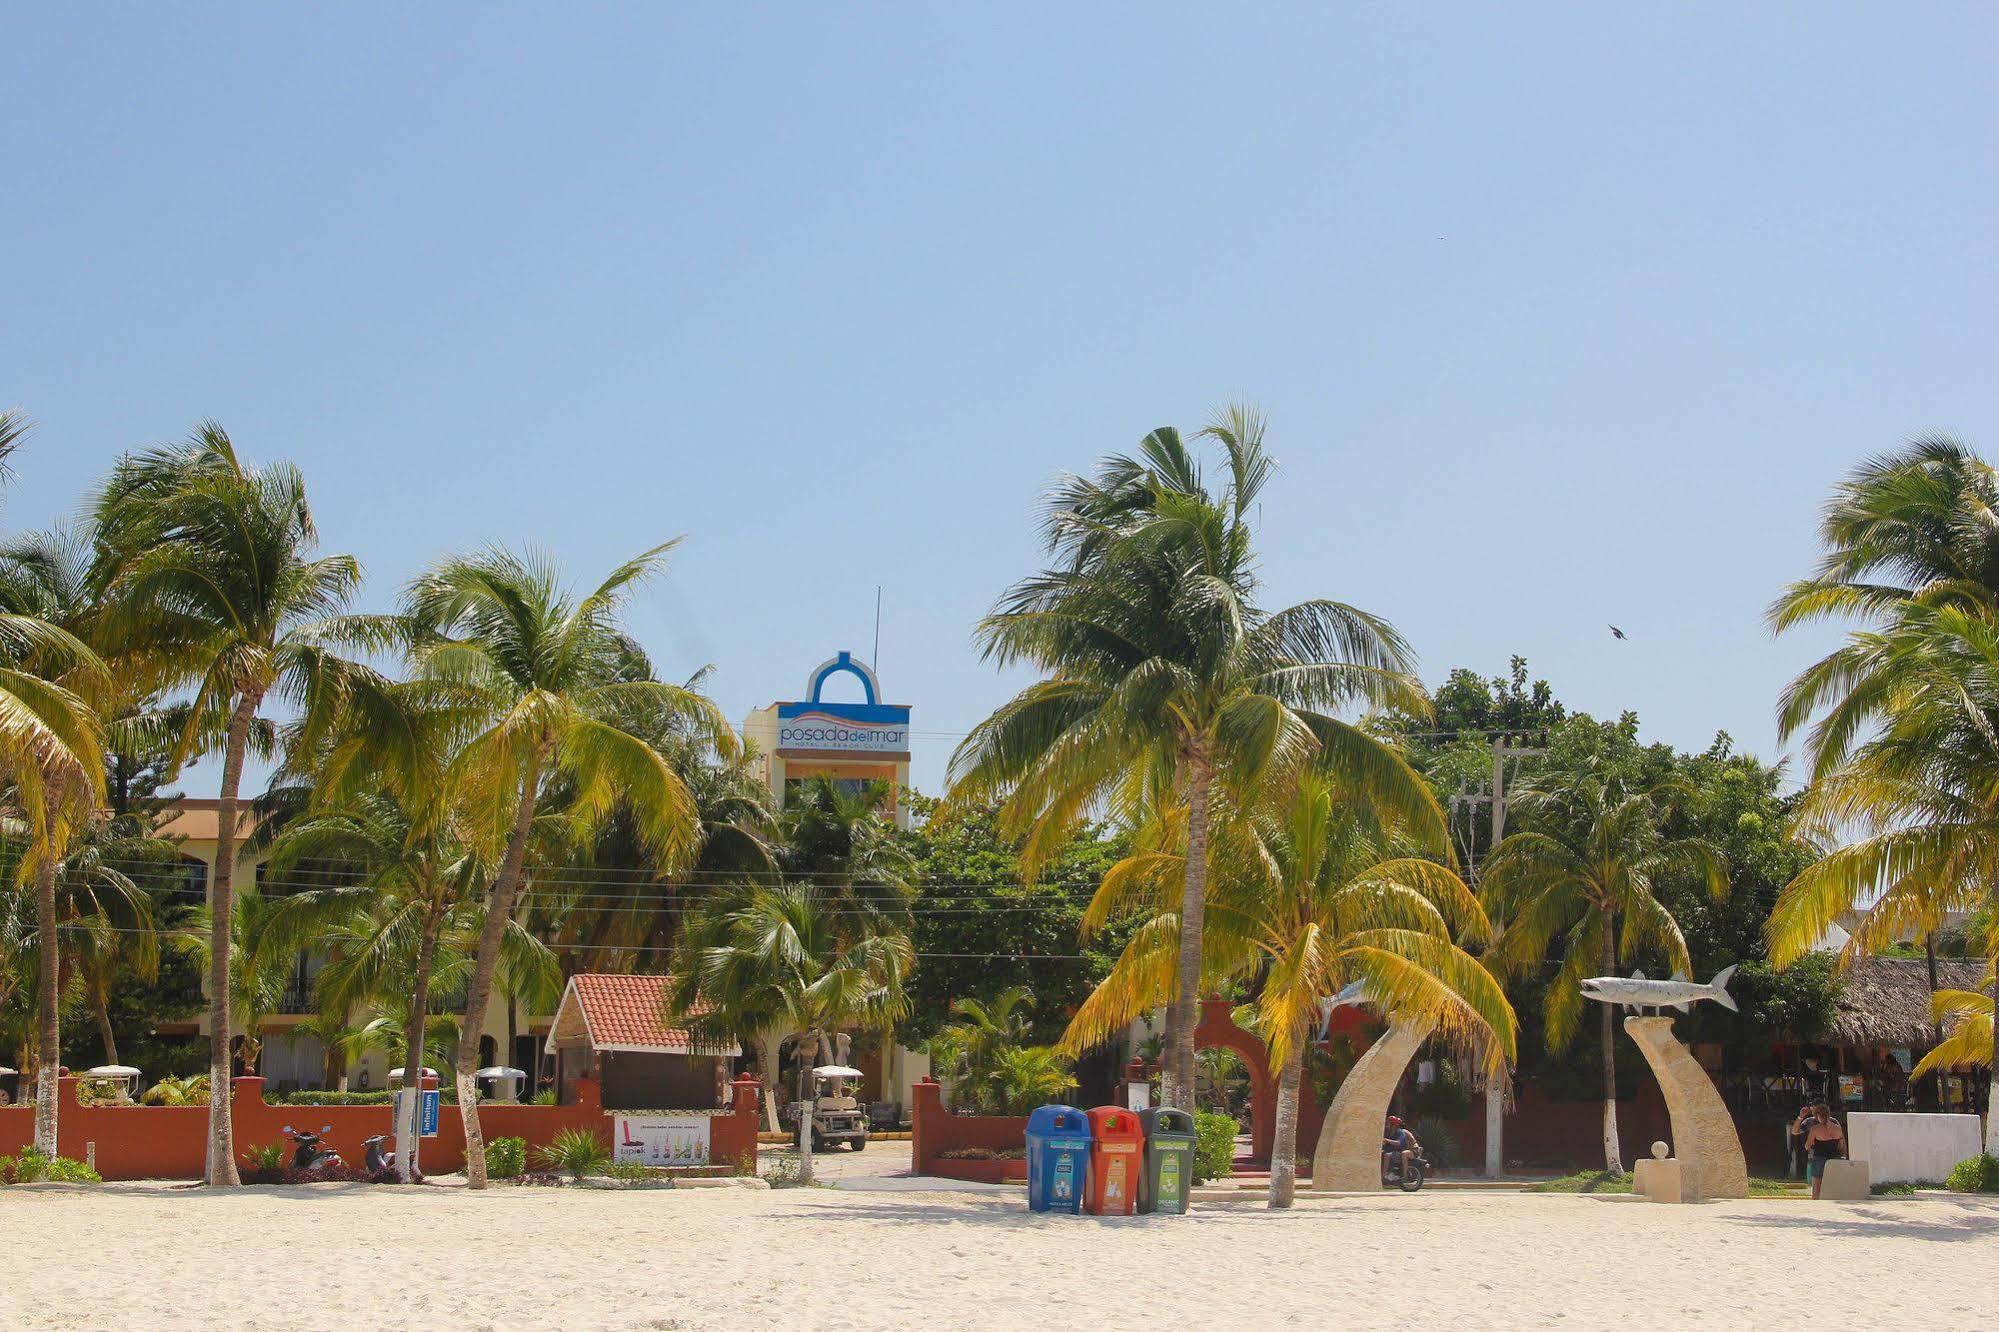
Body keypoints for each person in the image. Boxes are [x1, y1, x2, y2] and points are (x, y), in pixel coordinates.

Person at [1802, 1101, 1845, 1199]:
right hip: (1835, 1160)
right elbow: (1841, 1145)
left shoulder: (1815, 1129)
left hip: (1819, 1159)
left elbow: (1807, 1146)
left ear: (1817, 1116)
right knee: (1834, 1189)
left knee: (1816, 1191)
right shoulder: (1838, 1128)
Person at [1381, 1115, 1419, 1180]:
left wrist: (1387, 1140)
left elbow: (1399, 1143)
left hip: (1411, 1150)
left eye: (1388, 1123)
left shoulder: (1401, 1132)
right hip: (1398, 1151)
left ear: (1393, 1125)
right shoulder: (1390, 1133)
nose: (1386, 1125)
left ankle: (1403, 1175)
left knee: (1390, 1155)